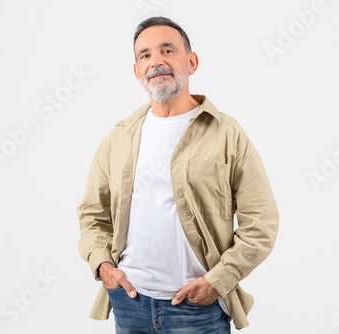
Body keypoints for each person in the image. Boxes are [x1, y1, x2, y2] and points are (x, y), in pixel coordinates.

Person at [77, 16, 279, 333]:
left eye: (167, 50)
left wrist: (219, 280)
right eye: (145, 55)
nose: (156, 61)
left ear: (191, 61)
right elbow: (92, 213)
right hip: (129, 305)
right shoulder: (118, 138)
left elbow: (262, 221)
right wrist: (103, 266)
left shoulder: (227, 134)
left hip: (198, 311)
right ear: (137, 71)